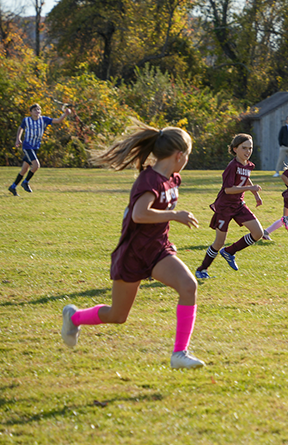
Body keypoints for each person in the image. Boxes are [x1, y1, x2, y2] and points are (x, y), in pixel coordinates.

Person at [61, 121, 205, 369]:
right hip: (133, 255)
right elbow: (140, 214)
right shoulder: (149, 180)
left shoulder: (173, 179)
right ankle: (74, 317)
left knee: (188, 285)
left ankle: (179, 353)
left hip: (158, 250)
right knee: (117, 316)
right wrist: (175, 215)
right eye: (188, 155)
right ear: (179, 155)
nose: (187, 160)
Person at [195, 133, 264, 279]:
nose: (248, 151)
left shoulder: (248, 165)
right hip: (224, 207)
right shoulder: (232, 166)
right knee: (219, 242)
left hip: (239, 205)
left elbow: (246, 179)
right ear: (235, 149)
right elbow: (228, 189)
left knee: (258, 233)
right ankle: (202, 270)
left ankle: (230, 251)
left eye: (250, 148)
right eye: (244, 148)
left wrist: (256, 195)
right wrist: (249, 189)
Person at [8, 103, 71, 196]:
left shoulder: (44, 120)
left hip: (35, 147)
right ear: (30, 112)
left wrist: (65, 114)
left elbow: (58, 121)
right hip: (27, 146)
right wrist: (18, 139)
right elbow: (21, 128)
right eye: (35, 110)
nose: (37, 111)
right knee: (36, 165)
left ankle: (13, 187)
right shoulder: (27, 120)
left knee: (24, 169)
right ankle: (25, 182)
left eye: (39, 110)